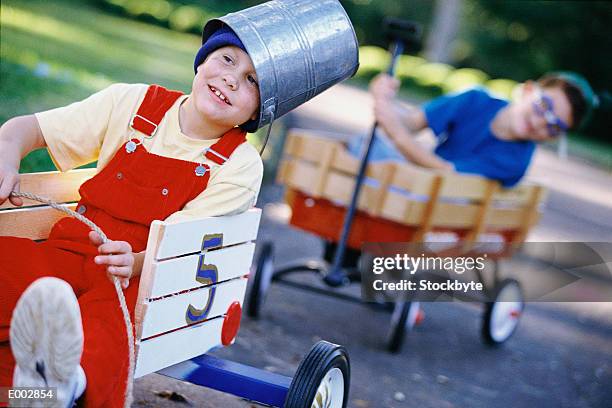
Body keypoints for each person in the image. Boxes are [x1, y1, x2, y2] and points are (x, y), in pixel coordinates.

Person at [0, 26, 264, 407]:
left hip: (139, 283)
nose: (230, 78)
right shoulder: (133, 103)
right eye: (227, 59)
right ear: (203, 59)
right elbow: (27, 129)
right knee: (13, 266)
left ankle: (61, 387)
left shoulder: (239, 164)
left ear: (258, 110)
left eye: (251, 80)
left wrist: (137, 260)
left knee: (106, 329)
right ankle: (35, 377)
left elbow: (179, 249)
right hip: (70, 252)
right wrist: (8, 152)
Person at [350, 71, 596, 187]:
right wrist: (384, 99)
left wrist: (398, 134)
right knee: (368, 144)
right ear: (529, 91)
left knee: (381, 157)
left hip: (445, 198)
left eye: (555, 127)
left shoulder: (515, 160)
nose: (542, 122)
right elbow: (412, 123)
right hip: (422, 184)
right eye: (544, 105)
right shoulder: (475, 101)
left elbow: (445, 171)